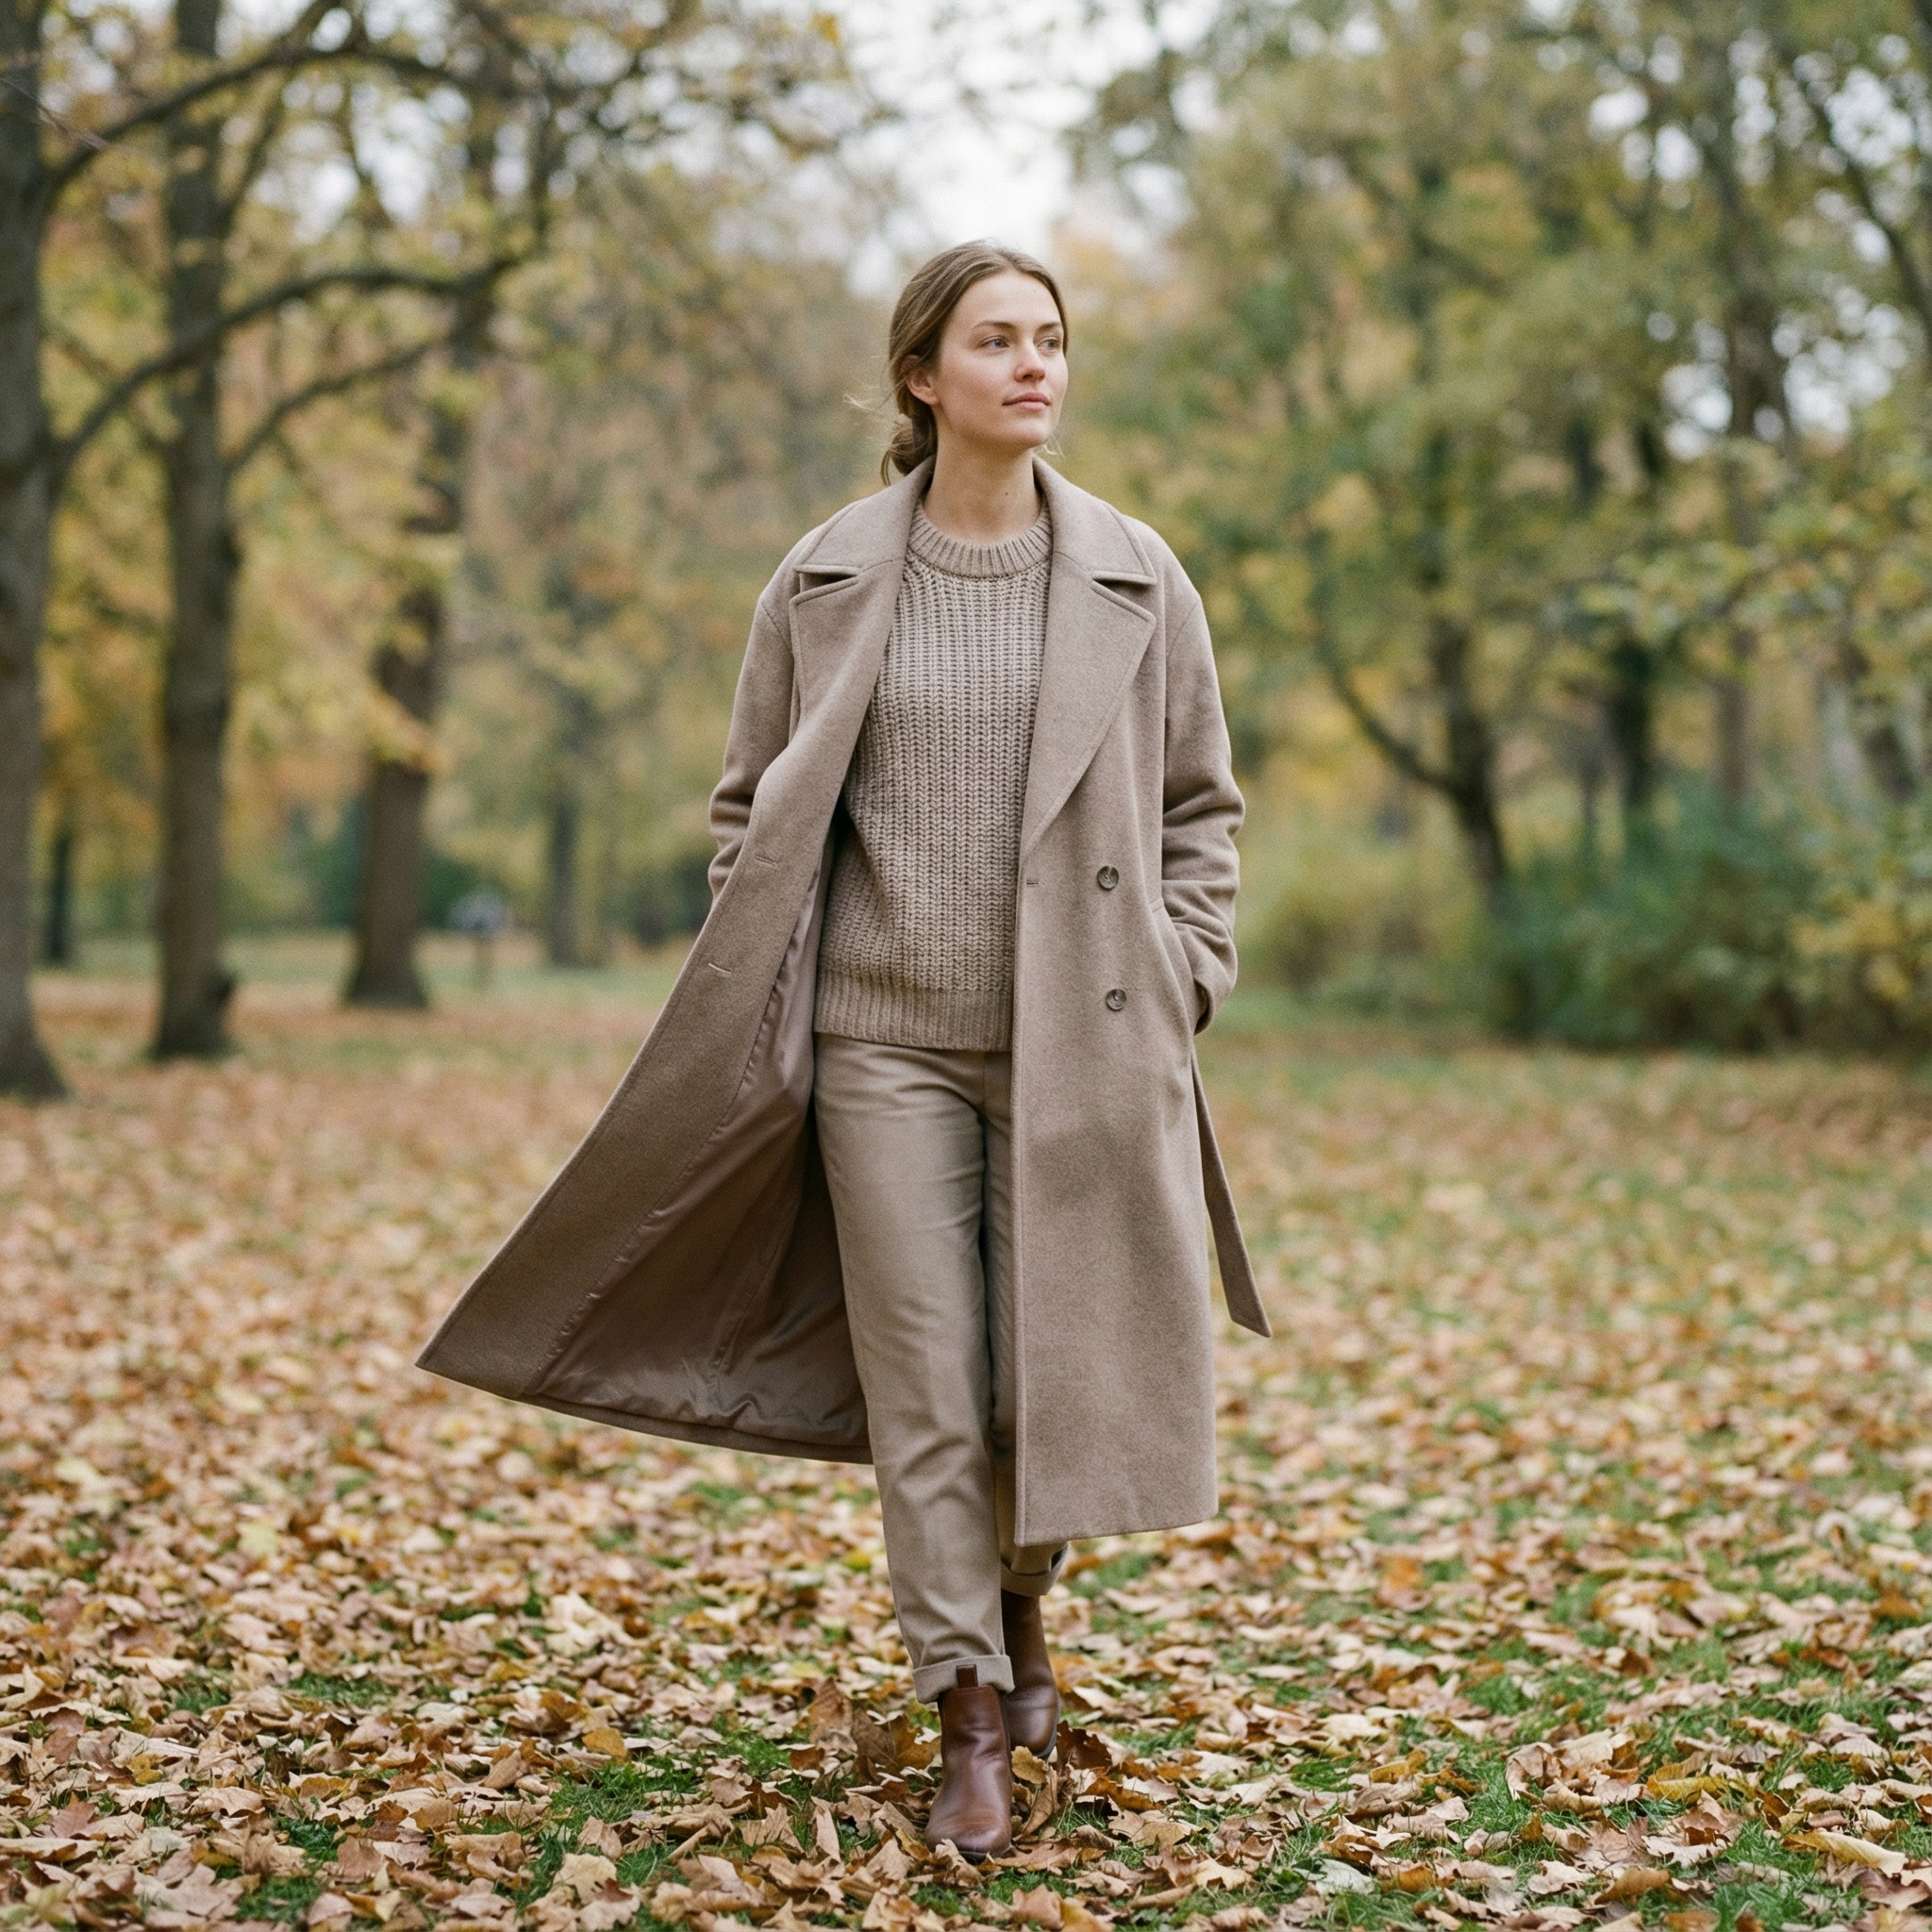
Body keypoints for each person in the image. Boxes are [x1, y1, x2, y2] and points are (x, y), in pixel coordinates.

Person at [417, 242, 1270, 1861]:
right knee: (929, 1392)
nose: (1035, 366)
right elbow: (748, 802)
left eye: (1052, 340)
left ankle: (1022, 1614)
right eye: (998, 340)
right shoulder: (823, 575)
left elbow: (1197, 812)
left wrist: (1186, 973)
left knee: (1048, 1387)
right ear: (920, 377)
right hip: (878, 1051)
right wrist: (768, 951)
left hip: (1080, 1053)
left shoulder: (1141, 579)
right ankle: (966, 1706)